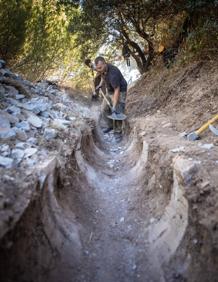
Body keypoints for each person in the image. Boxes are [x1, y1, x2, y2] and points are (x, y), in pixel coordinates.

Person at [94, 56, 127, 134]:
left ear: (105, 64)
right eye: (97, 68)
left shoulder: (113, 74)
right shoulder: (102, 69)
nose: (98, 70)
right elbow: (102, 75)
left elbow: (117, 90)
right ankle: (110, 126)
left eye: (100, 68)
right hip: (110, 90)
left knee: (117, 110)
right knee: (103, 109)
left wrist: (114, 105)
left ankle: (118, 130)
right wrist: (100, 84)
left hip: (120, 89)